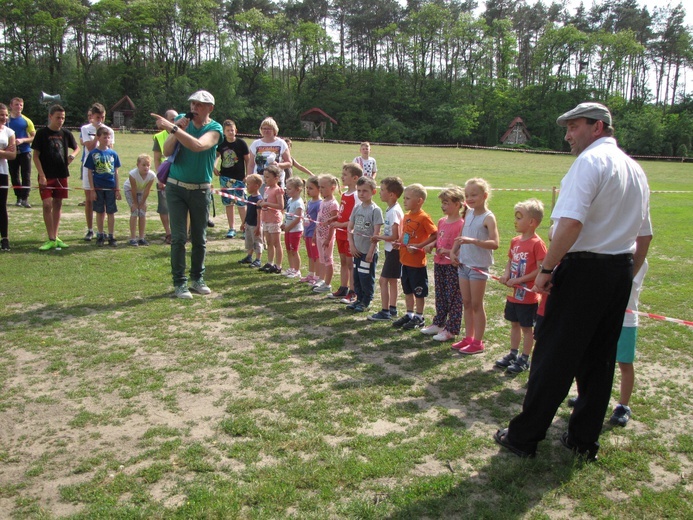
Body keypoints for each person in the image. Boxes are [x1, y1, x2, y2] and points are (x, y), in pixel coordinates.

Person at [495, 102, 652, 462]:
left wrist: (547, 269)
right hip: (617, 271)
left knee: (553, 355)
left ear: (598, 127)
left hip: (583, 270)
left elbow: (571, 223)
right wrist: (626, 274)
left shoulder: (590, 163)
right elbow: (644, 237)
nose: (567, 135)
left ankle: (524, 437)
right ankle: (583, 439)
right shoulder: (635, 169)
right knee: (599, 359)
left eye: (574, 127)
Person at [150, 90, 224, 299]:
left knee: (199, 237)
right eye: (192, 104)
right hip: (175, 187)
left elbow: (199, 145)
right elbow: (166, 151)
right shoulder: (183, 122)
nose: (194, 109)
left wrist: (172, 127)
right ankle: (179, 283)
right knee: (179, 237)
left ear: (210, 108)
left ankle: (197, 279)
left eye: (199, 105)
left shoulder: (215, 128)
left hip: (200, 189)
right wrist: (176, 130)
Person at [568, 261, 648, 427]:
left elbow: (622, 282)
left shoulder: (637, 260)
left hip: (625, 320)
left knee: (625, 363)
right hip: (599, 315)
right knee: (590, 358)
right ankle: (586, 396)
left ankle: (623, 406)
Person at [494, 199, 547, 373]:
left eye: (519, 217)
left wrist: (518, 280)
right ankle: (513, 353)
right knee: (514, 324)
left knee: (526, 328)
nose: (515, 221)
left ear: (532, 222)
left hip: (528, 296)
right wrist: (506, 274)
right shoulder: (515, 241)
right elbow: (510, 260)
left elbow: (540, 270)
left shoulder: (537, 243)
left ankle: (524, 358)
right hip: (513, 294)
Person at [450, 178, 500, 355]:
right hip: (464, 265)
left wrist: (473, 241)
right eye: (467, 195)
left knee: (477, 305)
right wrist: (453, 251)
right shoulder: (468, 213)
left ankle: (478, 342)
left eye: (474, 195)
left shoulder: (488, 217)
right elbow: (462, 235)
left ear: (485, 196)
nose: (469, 198)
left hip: (478, 267)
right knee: (467, 303)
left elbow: (495, 243)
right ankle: (468, 337)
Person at [31, 104, 80, 251]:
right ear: (50, 117)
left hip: (61, 174)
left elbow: (77, 148)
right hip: (46, 175)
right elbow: (35, 156)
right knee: (47, 204)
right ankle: (50, 237)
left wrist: (72, 156)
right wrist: (41, 175)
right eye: (58, 117)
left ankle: (56, 236)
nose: (61, 120)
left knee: (58, 204)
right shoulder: (41, 133)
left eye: (63, 118)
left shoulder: (66, 133)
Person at [421, 186, 466, 342]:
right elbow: (438, 239)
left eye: (446, 203)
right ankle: (439, 323)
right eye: (442, 203)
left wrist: (448, 251)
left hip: (452, 266)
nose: (443, 206)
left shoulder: (462, 224)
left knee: (453, 297)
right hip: (439, 264)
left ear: (458, 204)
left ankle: (451, 329)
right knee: (440, 295)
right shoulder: (442, 221)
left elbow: (462, 247)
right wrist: (431, 245)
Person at [392, 184, 437, 330]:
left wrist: (419, 246)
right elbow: (406, 235)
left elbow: (435, 234)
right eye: (404, 198)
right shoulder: (407, 216)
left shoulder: (424, 218)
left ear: (419, 201)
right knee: (407, 290)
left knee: (418, 291)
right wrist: (399, 243)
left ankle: (419, 316)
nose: (404, 201)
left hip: (417, 263)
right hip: (405, 260)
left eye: (408, 198)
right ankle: (409, 314)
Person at [368, 176, 404, 322]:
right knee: (392, 280)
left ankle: (385, 311)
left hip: (394, 251)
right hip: (391, 250)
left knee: (383, 281)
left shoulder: (393, 211)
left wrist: (378, 237)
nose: (380, 192)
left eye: (382, 190)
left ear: (392, 194)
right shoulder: (391, 209)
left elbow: (395, 235)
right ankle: (392, 308)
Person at [346, 176, 384, 312]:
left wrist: (370, 252)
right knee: (356, 275)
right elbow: (349, 227)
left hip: (368, 252)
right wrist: (351, 245)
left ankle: (366, 300)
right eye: (359, 191)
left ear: (373, 192)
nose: (361, 194)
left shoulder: (375, 210)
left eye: (365, 191)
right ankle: (358, 298)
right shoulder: (357, 208)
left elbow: (376, 235)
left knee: (365, 276)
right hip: (357, 250)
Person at [80, 103, 114, 241]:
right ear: (92, 116)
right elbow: (89, 146)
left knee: (103, 199)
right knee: (89, 199)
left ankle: (102, 230)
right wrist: (97, 135)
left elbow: (110, 147)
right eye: (98, 117)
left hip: (104, 168)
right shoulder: (85, 128)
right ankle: (90, 229)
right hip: (89, 167)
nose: (101, 120)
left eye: (103, 117)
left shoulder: (109, 131)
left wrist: (104, 134)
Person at [329, 163, 362, 302]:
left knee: (350, 264)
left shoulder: (356, 195)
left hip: (350, 234)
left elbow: (356, 218)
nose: (342, 177)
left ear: (355, 178)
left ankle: (353, 291)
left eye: (345, 175)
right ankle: (343, 288)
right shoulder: (344, 194)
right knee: (343, 261)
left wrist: (341, 224)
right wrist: (333, 219)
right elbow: (343, 213)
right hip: (341, 233)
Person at [84, 126, 122, 247]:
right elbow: (89, 172)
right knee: (100, 211)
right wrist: (92, 189)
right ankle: (100, 234)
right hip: (98, 187)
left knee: (111, 212)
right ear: (98, 138)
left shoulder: (113, 154)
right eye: (104, 137)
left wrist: (117, 189)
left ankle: (111, 235)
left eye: (108, 137)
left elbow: (116, 172)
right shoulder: (93, 154)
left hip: (111, 187)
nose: (107, 139)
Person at [214, 119, 251, 238]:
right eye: (228, 130)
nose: (231, 132)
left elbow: (248, 160)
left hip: (240, 178)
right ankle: (231, 228)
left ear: (236, 130)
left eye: (232, 130)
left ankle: (245, 228)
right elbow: (217, 156)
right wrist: (213, 167)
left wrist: (248, 175)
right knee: (228, 204)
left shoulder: (241, 143)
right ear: (224, 132)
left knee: (241, 203)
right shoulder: (221, 143)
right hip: (225, 178)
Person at [152, 109, 177, 244]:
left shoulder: (182, 133)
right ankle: (168, 233)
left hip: (179, 176)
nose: (175, 121)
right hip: (165, 175)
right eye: (172, 119)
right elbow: (156, 159)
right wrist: (160, 178)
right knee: (164, 207)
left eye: (176, 118)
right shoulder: (159, 137)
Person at [312, 174, 340, 293]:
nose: (321, 190)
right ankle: (321, 279)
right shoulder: (323, 202)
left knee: (328, 259)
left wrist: (329, 238)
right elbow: (319, 220)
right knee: (322, 258)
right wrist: (314, 234)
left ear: (332, 188)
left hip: (326, 237)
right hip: (319, 235)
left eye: (323, 187)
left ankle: (327, 283)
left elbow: (333, 222)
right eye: (320, 187)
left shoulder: (333, 204)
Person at [247, 117, 292, 186]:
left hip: (276, 181)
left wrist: (278, 165)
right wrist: (249, 179)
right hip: (259, 181)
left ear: (274, 130)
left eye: (269, 129)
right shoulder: (255, 144)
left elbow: (289, 163)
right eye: (264, 128)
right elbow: (251, 165)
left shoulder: (281, 143)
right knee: (261, 197)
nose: (266, 131)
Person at [123, 154, 156, 246]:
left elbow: (147, 190)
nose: (146, 167)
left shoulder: (152, 175)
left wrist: (142, 203)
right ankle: (133, 238)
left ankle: (141, 238)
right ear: (138, 165)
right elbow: (133, 189)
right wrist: (135, 203)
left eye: (148, 165)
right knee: (134, 211)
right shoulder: (132, 174)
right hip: (130, 190)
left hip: (141, 191)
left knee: (142, 212)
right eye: (144, 165)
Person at [257, 164, 285, 274]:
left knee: (276, 243)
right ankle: (270, 262)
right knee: (268, 242)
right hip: (266, 218)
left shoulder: (278, 190)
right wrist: (261, 202)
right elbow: (265, 200)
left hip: (274, 219)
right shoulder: (267, 189)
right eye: (264, 176)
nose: (265, 179)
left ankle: (278, 265)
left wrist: (267, 204)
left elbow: (281, 206)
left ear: (276, 178)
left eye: (268, 177)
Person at [7, 97, 34, 208]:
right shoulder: (6, 120)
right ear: (11, 106)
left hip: (25, 151)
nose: (19, 107)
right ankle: (18, 197)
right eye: (17, 104)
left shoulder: (26, 121)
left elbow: (33, 136)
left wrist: (23, 140)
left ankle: (25, 198)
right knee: (14, 175)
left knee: (26, 175)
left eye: (21, 105)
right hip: (11, 152)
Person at [0, 103, 17, 251]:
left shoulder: (9, 132)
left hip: (2, 172)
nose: (4, 117)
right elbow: (7, 152)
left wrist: (4, 152)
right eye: (1, 115)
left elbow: (12, 155)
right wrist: (4, 150)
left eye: (5, 115)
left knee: (2, 206)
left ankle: (4, 238)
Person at [238, 173, 264, 268]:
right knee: (249, 241)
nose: (247, 186)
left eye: (249, 184)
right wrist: (243, 223)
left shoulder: (259, 199)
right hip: (249, 223)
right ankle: (249, 256)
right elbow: (248, 212)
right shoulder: (250, 198)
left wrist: (258, 226)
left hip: (255, 225)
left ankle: (258, 259)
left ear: (256, 186)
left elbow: (259, 214)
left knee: (257, 241)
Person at [300, 176, 321, 284]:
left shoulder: (319, 203)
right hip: (308, 232)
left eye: (311, 188)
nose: (308, 190)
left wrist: (314, 233)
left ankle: (317, 276)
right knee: (310, 255)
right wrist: (304, 231)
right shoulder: (309, 202)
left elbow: (318, 220)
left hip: (314, 234)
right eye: (307, 188)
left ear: (319, 189)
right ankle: (310, 274)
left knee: (316, 256)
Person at [282, 177, 305, 278]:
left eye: (289, 189)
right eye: (286, 188)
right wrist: (284, 223)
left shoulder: (299, 203)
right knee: (288, 249)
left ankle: (297, 270)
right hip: (288, 229)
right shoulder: (290, 200)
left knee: (294, 250)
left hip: (295, 230)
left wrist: (289, 227)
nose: (287, 191)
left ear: (298, 189)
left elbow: (298, 218)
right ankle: (291, 268)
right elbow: (287, 214)